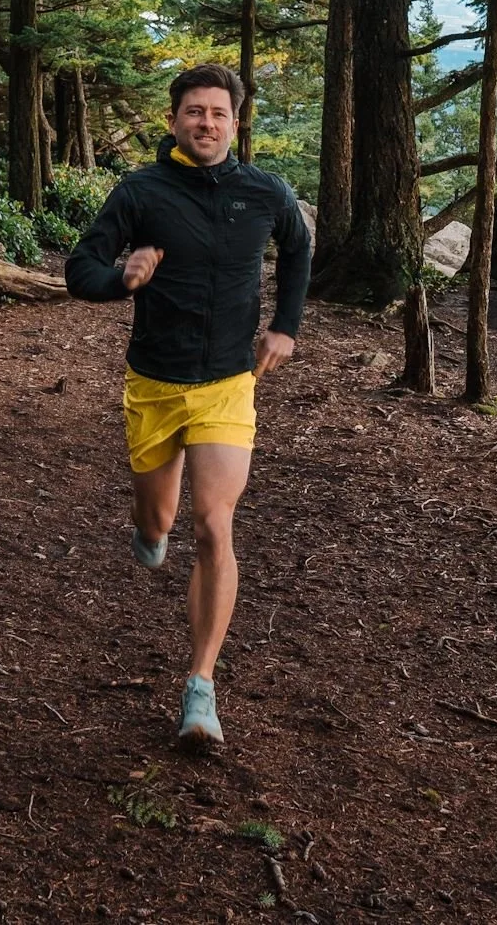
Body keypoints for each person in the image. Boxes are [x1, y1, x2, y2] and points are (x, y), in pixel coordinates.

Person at [65, 63, 311, 750]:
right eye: (194, 112)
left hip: (228, 384)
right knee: (160, 521)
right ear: (173, 120)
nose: (207, 122)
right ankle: (148, 530)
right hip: (154, 383)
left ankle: (200, 688)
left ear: (237, 123)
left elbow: (298, 250)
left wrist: (286, 327)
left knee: (213, 523)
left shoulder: (265, 192)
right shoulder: (141, 192)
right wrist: (123, 277)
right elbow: (78, 270)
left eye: (218, 113)